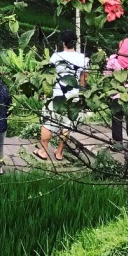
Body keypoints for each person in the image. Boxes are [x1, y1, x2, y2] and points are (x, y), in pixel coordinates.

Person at [37, 30, 88, 162]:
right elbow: (83, 80)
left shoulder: (56, 57)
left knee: (48, 122)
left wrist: (44, 92)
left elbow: (49, 77)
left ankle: (43, 151)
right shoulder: (83, 58)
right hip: (73, 96)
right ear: (75, 42)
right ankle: (59, 152)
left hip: (57, 94)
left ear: (63, 42)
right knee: (67, 124)